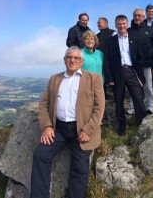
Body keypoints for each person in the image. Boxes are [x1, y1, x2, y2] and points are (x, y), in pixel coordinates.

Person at [30, 47, 105, 198]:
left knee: (79, 167)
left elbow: (99, 108)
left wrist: (88, 130)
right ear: (64, 60)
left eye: (76, 58)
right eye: (69, 57)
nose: (72, 60)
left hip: (82, 130)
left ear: (81, 61)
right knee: (41, 155)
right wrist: (47, 126)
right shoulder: (55, 79)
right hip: (59, 129)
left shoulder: (94, 78)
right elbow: (43, 105)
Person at [104, 15, 146, 136]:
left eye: (123, 23)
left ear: (127, 24)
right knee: (118, 100)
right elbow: (107, 61)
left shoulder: (135, 38)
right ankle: (122, 125)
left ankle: (141, 124)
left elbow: (140, 57)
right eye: (119, 24)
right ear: (116, 25)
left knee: (138, 98)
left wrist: (140, 73)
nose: (121, 26)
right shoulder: (110, 41)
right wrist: (109, 78)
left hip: (132, 72)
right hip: (117, 73)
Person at [127, 8, 153, 115]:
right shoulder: (129, 31)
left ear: (143, 17)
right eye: (135, 15)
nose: (137, 17)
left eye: (139, 15)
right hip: (133, 65)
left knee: (147, 86)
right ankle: (132, 106)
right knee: (133, 86)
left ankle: (150, 105)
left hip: (147, 64)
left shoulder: (150, 30)